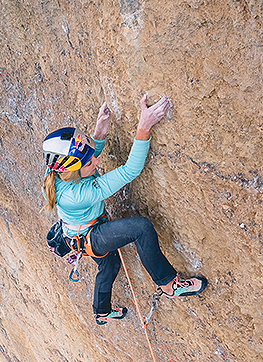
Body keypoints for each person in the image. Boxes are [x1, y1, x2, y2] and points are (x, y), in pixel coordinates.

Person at [43, 94, 206, 324]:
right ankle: (169, 285)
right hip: (90, 236)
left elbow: (86, 159)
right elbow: (130, 170)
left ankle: (101, 312)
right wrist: (144, 126)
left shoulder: (55, 174)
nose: (97, 162)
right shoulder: (78, 195)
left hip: (80, 231)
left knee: (109, 265)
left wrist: (99, 131)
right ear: (73, 172)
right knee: (141, 228)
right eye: (90, 163)